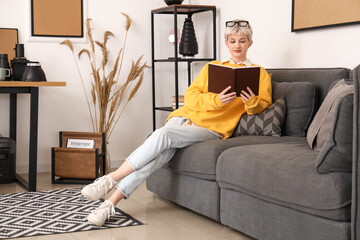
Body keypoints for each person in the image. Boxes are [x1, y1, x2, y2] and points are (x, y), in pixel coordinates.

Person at [81, 19, 272, 227]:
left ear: (250, 43)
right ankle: (108, 205)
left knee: (162, 135)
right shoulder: (213, 68)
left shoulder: (259, 74)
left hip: (211, 129)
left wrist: (250, 101)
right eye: (233, 40)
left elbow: (261, 106)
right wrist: (216, 100)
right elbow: (190, 97)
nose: (237, 45)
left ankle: (110, 178)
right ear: (226, 42)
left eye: (242, 41)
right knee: (160, 155)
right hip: (184, 117)